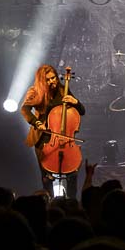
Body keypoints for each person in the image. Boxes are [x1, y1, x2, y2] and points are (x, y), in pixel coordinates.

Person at [21, 64, 85, 192]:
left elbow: (82, 111)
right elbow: (25, 109)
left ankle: (71, 200)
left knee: (72, 173)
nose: (52, 81)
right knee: (46, 176)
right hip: (43, 138)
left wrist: (75, 102)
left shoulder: (62, 89)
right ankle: (48, 199)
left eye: (53, 78)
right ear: (41, 81)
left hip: (63, 136)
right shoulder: (35, 91)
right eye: (48, 80)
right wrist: (36, 122)